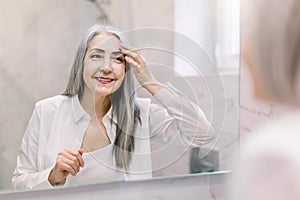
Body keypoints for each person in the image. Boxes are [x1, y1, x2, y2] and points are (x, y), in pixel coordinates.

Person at [12, 24, 214, 190]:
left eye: (117, 59)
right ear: (80, 64)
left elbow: (203, 134)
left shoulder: (140, 115)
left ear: (126, 68)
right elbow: (18, 183)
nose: (106, 67)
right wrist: (52, 176)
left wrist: (151, 83)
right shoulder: (47, 111)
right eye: (96, 56)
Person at [231, 0, 300, 199]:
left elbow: (201, 133)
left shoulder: (277, 154)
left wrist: (155, 86)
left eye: (251, 35)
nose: (242, 53)